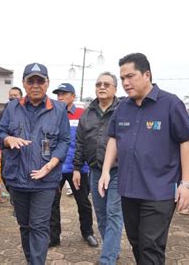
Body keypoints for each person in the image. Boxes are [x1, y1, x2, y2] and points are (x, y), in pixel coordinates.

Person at [98, 53, 189, 264]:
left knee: (151, 245)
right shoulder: (123, 107)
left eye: (130, 76)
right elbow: (113, 139)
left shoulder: (170, 104)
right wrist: (105, 171)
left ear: (147, 74)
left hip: (159, 191)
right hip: (129, 189)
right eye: (122, 78)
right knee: (136, 241)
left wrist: (186, 184)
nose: (125, 82)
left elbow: (187, 143)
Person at [0, 62, 70, 265]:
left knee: (39, 225)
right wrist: (8, 140)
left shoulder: (59, 109)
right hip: (17, 177)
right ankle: (32, 260)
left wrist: (50, 165)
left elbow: (64, 141)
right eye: (31, 81)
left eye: (40, 81)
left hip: (45, 180)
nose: (35, 85)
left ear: (47, 84)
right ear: (24, 83)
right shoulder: (12, 107)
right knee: (24, 225)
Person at [73, 72, 122, 264]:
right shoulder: (88, 112)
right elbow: (80, 142)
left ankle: (107, 258)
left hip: (118, 171)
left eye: (107, 84)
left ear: (115, 89)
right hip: (95, 170)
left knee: (114, 213)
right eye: (98, 84)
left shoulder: (123, 109)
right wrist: (77, 167)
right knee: (101, 214)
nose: (102, 87)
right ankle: (113, 248)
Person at [49, 83, 97, 248]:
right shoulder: (53, 115)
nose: (60, 97)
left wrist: (80, 165)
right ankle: (54, 236)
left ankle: (88, 232)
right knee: (53, 203)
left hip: (78, 167)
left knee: (83, 202)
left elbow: (85, 142)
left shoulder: (82, 114)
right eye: (58, 94)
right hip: (57, 167)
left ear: (73, 96)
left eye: (64, 94)